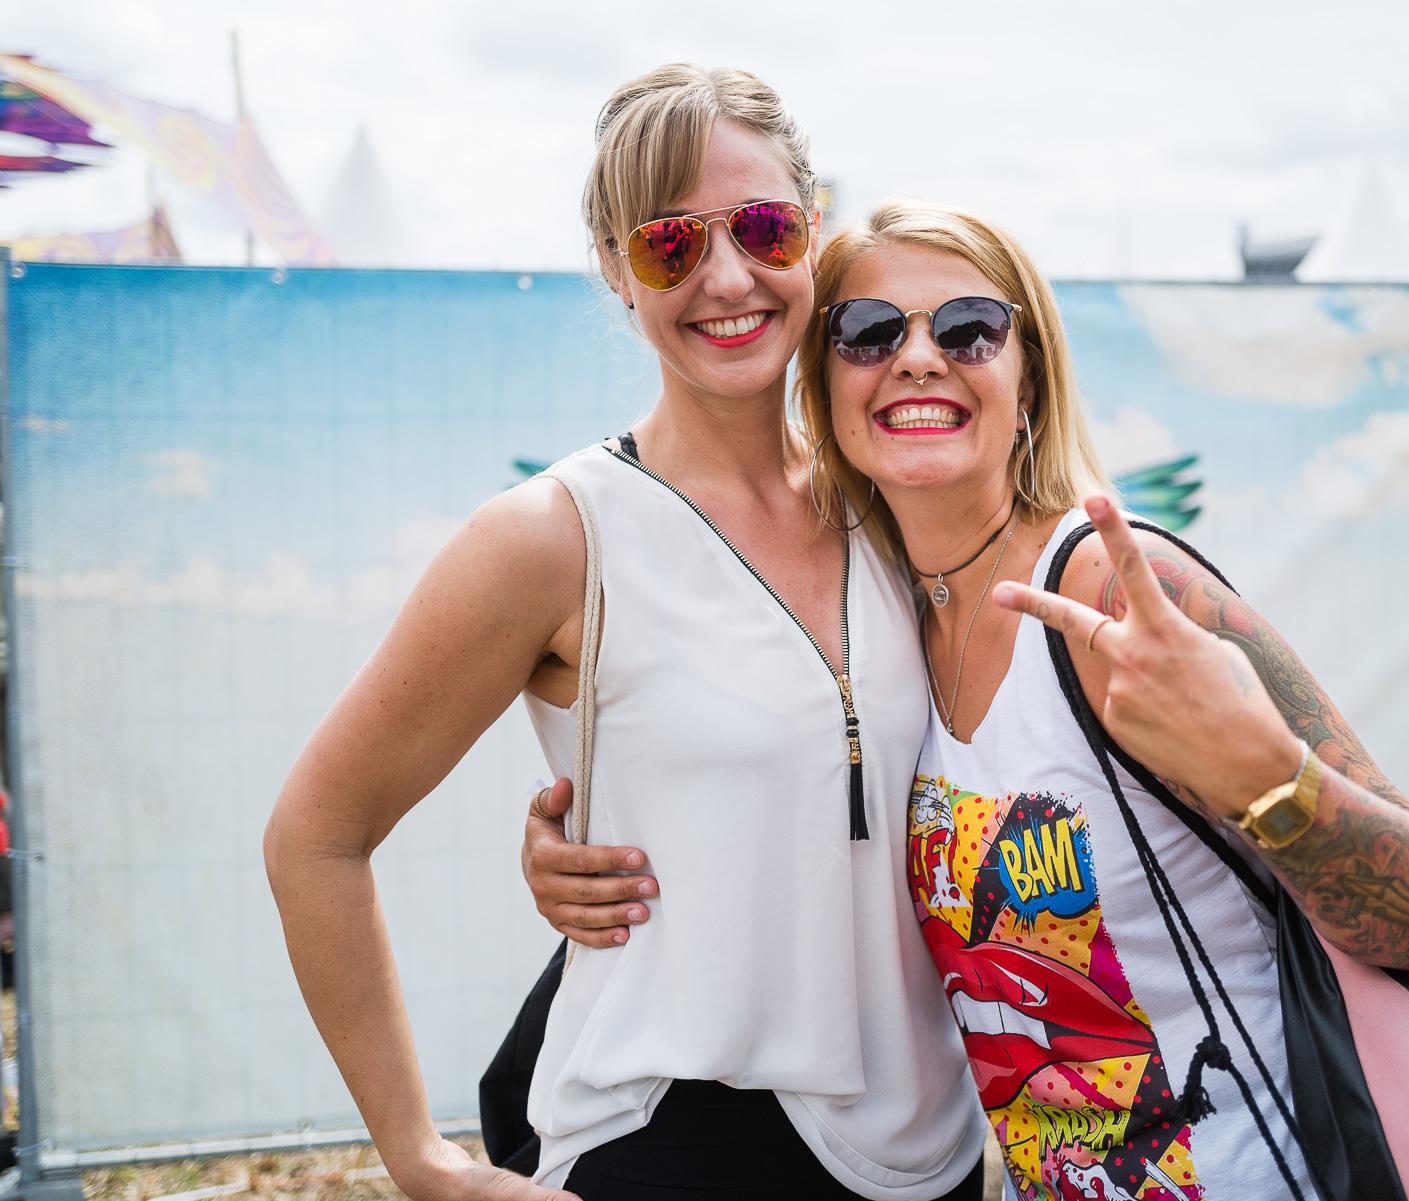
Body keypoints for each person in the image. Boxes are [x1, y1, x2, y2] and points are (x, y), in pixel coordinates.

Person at [524, 200, 1409, 1200]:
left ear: (1029, 376)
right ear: (829, 385)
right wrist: (576, 851)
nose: (921, 358)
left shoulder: (1120, 589)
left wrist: (1265, 775)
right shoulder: (876, 617)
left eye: (969, 327)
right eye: (869, 331)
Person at [264, 68, 988, 1201]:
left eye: (761, 226)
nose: (728, 277)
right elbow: (314, 834)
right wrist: (421, 1160)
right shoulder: (553, 539)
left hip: (931, 1152)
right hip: (671, 1140)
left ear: (811, 231)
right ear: (614, 267)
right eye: (669, 246)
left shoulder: (899, 494)